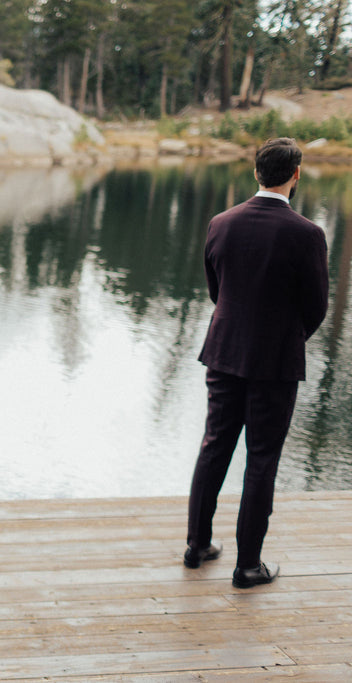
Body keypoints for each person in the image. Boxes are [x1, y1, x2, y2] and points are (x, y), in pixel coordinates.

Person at [184, 138, 328, 589]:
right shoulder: (307, 234)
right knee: (261, 459)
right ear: (296, 174)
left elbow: (216, 289)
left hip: (224, 352)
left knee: (214, 447)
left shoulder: (221, 223)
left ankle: (196, 546)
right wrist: (286, 337)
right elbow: (317, 307)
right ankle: (247, 567)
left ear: (255, 173)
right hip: (276, 363)